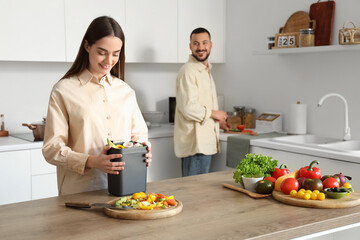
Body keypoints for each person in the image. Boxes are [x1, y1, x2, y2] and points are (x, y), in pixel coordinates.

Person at [42, 16, 151, 195]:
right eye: (102, 52)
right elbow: (51, 149)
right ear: (87, 46)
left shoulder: (125, 91)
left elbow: (139, 136)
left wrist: (141, 151)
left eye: (116, 54)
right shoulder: (63, 90)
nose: (109, 60)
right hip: (80, 193)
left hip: (125, 190)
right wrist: (92, 161)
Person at [174, 27, 230, 177]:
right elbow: (188, 108)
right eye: (196, 43)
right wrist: (214, 114)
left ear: (210, 45)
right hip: (196, 145)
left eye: (204, 43)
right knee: (193, 193)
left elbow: (202, 104)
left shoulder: (205, 70)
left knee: (197, 192)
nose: (200, 48)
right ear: (190, 46)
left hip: (204, 144)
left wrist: (217, 122)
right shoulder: (188, 71)